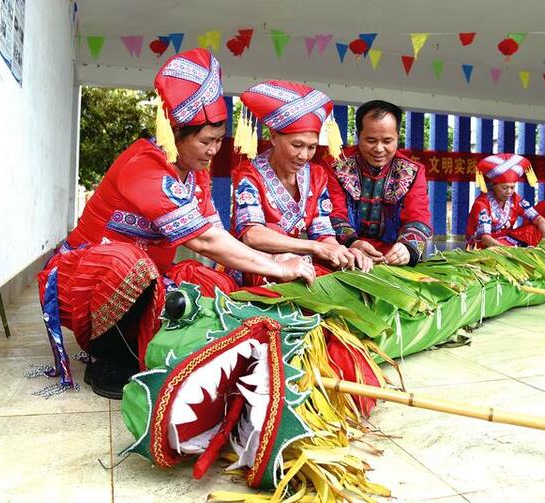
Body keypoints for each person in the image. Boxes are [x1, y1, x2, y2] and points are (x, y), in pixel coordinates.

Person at [36, 49, 315, 399]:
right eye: (206, 141)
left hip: (145, 282)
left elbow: (217, 234)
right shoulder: (143, 164)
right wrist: (277, 265)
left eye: (218, 140)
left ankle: (143, 347)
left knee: (210, 279)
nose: (214, 150)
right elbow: (203, 241)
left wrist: (270, 267)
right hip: (83, 281)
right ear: (175, 133)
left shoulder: (196, 175)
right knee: (129, 263)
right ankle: (105, 356)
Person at [230, 80, 371, 286]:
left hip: (297, 265)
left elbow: (322, 233)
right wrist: (314, 247)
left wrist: (340, 251)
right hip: (255, 268)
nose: (304, 155)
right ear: (274, 137)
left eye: (312, 147)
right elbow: (252, 236)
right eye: (297, 145)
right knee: (273, 229)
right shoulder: (249, 174)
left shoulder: (316, 176)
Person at [324, 100, 433, 266]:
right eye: (371, 140)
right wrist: (351, 243)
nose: (379, 149)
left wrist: (407, 248)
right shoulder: (336, 167)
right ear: (358, 135)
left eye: (387, 141)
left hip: (393, 260)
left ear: (397, 137)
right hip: (345, 257)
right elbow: (333, 213)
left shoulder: (413, 171)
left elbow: (418, 215)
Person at [465, 153, 545, 248]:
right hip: (485, 246)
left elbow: (539, 219)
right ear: (494, 185)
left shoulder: (515, 199)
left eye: (512, 187)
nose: (509, 192)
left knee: (533, 228)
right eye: (505, 188)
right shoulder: (481, 204)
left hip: (506, 241)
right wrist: (510, 250)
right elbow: (485, 238)